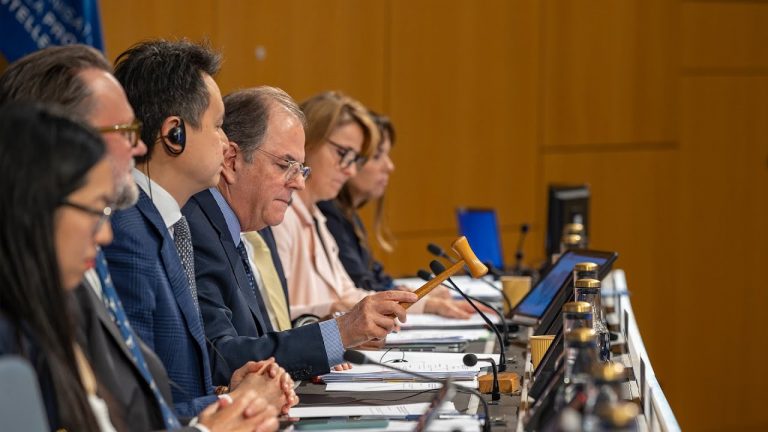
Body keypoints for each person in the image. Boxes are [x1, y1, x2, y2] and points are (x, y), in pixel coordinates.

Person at [0, 44, 290, 429]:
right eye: (124, 131)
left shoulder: (83, 273)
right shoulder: (123, 234)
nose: (138, 145)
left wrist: (224, 400)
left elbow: (137, 404)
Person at [103, 39, 294, 418]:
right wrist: (236, 403)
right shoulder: (126, 233)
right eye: (218, 126)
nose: (226, 143)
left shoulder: (170, 224)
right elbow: (138, 410)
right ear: (174, 134)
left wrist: (229, 387)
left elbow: (177, 376)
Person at [182, 86, 417, 384]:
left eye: (301, 170)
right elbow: (219, 357)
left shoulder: (246, 227)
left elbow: (261, 334)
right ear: (231, 161)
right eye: (285, 165)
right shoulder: (197, 229)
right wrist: (339, 332)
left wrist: (327, 338)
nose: (299, 183)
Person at [273, 91, 476, 319]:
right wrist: (336, 311)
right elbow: (273, 319)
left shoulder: (316, 217)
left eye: (354, 159)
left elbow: (349, 294)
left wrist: (425, 304)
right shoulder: (280, 217)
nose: (350, 171)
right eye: (342, 153)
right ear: (307, 141)